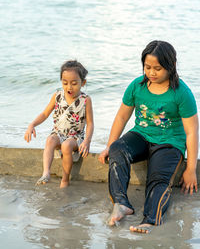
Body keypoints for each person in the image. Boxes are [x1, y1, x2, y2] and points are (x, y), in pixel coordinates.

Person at [98, 40, 198, 233]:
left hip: (169, 143)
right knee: (118, 149)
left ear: (171, 66)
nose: (151, 73)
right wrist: (110, 145)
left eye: (158, 68)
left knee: (157, 178)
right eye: (147, 67)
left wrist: (191, 168)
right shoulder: (137, 86)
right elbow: (121, 116)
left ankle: (150, 219)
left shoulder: (182, 93)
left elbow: (192, 131)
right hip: (141, 135)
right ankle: (121, 203)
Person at [24, 60, 94, 188]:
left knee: (66, 146)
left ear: (83, 83)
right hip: (58, 133)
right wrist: (32, 124)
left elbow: (90, 123)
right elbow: (45, 114)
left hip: (75, 136)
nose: (69, 87)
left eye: (74, 83)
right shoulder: (57, 96)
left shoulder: (85, 100)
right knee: (50, 139)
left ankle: (65, 179)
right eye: (65, 83)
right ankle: (46, 173)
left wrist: (87, 141)